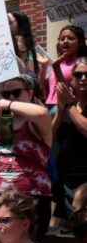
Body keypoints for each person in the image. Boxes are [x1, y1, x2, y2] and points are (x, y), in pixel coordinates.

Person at [0, 75, 52, 235]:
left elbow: (41, 113)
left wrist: (9, 104)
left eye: (16, 92)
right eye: (6, 94)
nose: (11, 97)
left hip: (30, 197)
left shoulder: (38, 119)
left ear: (30, 93)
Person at [53, 56, 87, 227]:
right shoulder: (68, 106)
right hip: (63, 177)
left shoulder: (70, 106)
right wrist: (60, 112)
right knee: (56, 227)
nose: (83, 79)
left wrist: (69, 106)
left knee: (81, 221)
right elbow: (49, 139)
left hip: (84, 178)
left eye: (86, 75)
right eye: (78, 75)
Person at [42, 25, 87, 108]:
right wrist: (44, 67)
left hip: (68, 107)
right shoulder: (59, 63)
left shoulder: (81, 64)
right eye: (62, 39)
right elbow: (44, 90)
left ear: (80, 42)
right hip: (50, 106)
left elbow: (67, 91)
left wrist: (56, 68)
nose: (65, 41)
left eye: (71, 38)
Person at [8, 11, 48, 78]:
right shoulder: (28, 44)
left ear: (20, 25)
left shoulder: (19, 40)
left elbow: (29, 70)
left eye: (9, 22)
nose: (6, 25)